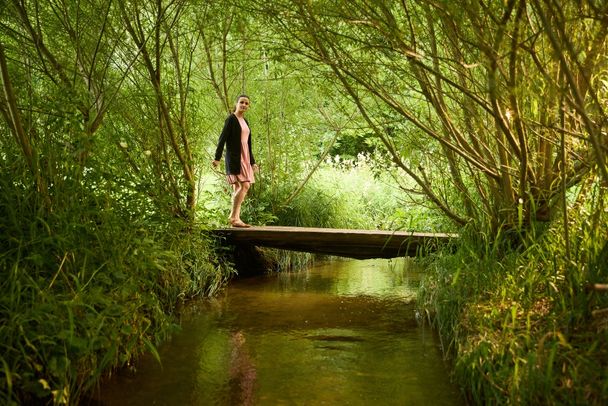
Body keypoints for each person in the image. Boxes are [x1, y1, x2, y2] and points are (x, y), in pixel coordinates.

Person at [212, 95, 259, 228]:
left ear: (248, 106)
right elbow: (222, 139)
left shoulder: (245, 121)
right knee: (245, 186)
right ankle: (233, 217)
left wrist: (253, 162)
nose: (244, 105)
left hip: (245, 157)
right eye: (241, 102)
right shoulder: (231, 119)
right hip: (235, 157)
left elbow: (248, 144)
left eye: (246, 103)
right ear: (236, 103)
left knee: (239, 187)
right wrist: (217, 158)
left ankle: (236, 218)